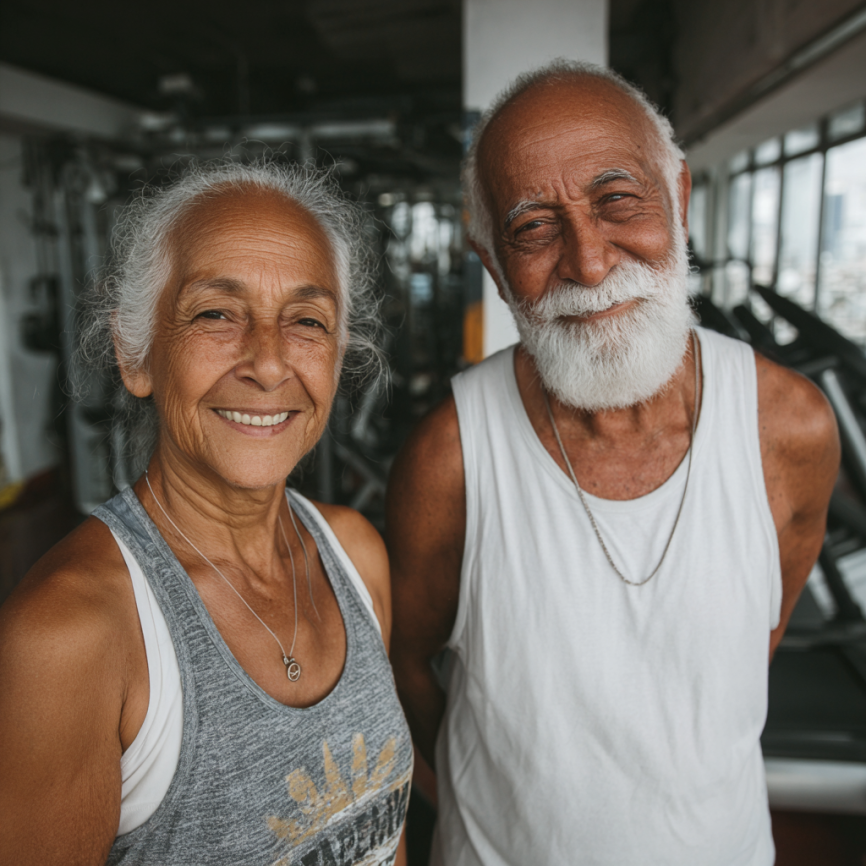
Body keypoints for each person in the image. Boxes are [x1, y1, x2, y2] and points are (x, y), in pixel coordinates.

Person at [387, 60, 840, 865]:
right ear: (493, 265)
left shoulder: (790, 428)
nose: (589, 264)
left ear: (680, 199)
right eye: (533, 228)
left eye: (618, 200)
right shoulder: (448, 458)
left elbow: (748, 649)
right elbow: (407, 668)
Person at [0, 161, 412, 866]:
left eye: (306, 321)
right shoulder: (71, 636)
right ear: (136, 356)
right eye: (216, 313)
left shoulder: (355, 554)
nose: (270, 363)